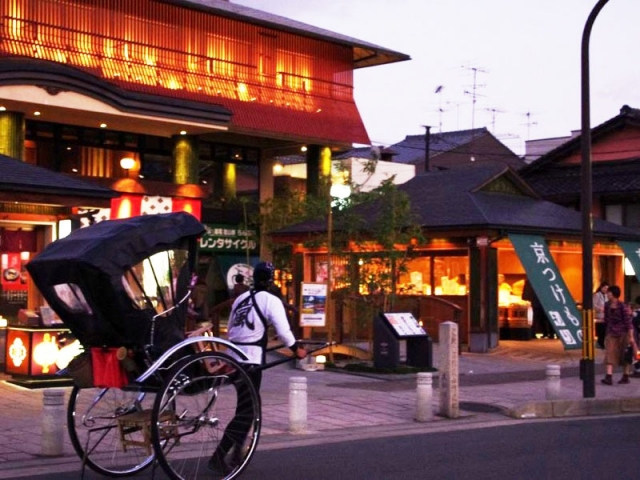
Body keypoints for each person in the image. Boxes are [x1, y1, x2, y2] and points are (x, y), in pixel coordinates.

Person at [209, 261, 307, 473]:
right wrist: (296, 349)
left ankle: (236, 452)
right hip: (250, 361)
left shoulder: (241, 299)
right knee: (247, 410)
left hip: (233, 356)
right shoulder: (271, 300)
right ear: (271, 281)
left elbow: (233, 329)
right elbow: (283, 331)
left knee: (248, 407)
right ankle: (219, 455)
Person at [601, 285, 637, 385]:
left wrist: (631, 336)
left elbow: (628, 322)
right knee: (610, 353)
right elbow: (606, 319)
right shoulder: (607, 305)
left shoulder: (622, 306)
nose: (607, 294)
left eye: (609, 292)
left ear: (614, 294)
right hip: (611, 333)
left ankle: (625, 376)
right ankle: (609, 376)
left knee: (625, 354)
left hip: (623, 333)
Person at [592, 281, 609, 349]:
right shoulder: (597, 295)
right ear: (601, 287)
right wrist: (600, 309)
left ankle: (601, 343)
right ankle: (600, 343)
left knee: (605, 331)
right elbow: (593, 305)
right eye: (605, 288)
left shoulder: (607, 295)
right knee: (600, 330)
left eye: (607, 288)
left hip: (606, 315)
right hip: (599, 315)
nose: (606, 290)